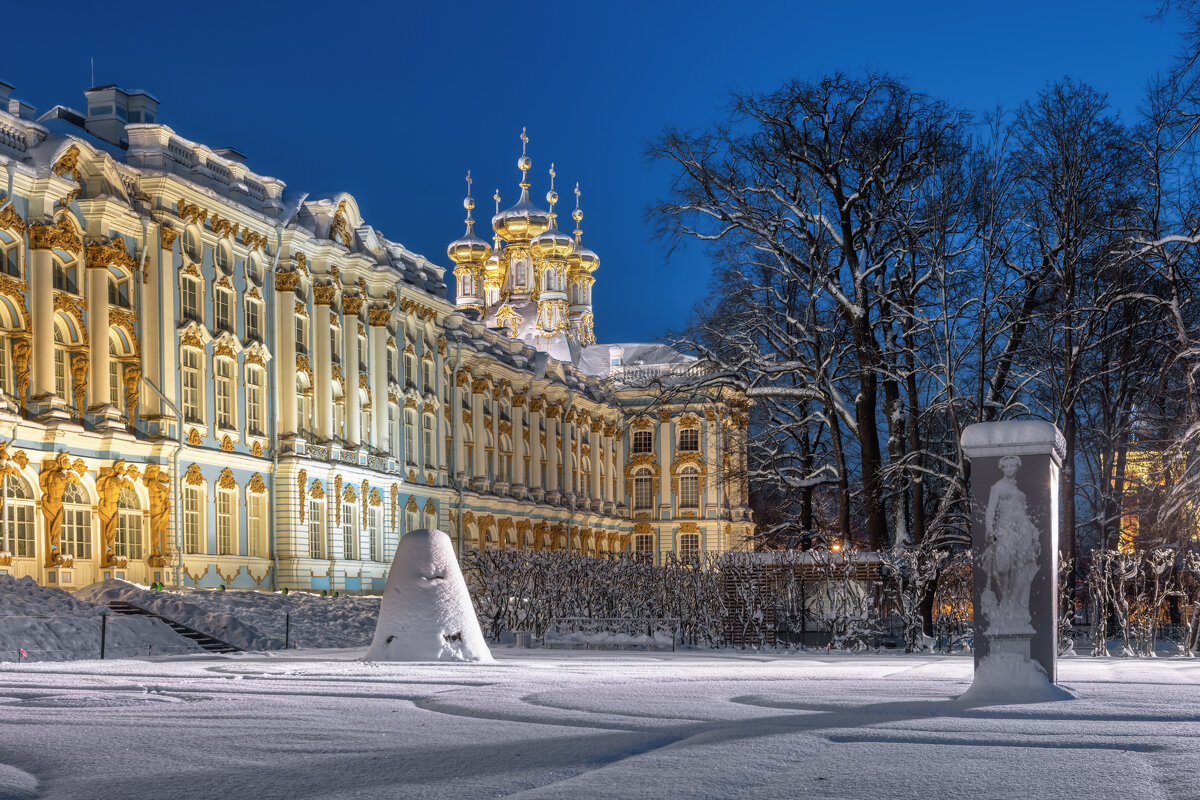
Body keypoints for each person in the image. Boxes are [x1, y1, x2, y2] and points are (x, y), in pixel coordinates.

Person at [982, 455, 1040, 635]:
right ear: (1002, 468)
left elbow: (1025, 515)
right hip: (1004, 530)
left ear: (1017, 467)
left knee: (1021, 567)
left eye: (1013, 466)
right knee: (1001, 566)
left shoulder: (1018, 491)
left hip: (1022, 530)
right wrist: (989, 529)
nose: (1010, 469)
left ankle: (1014, 603)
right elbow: (990, 510)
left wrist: (1034, 534)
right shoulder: (997, 487)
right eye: (1006, 466)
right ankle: (1006, 598)